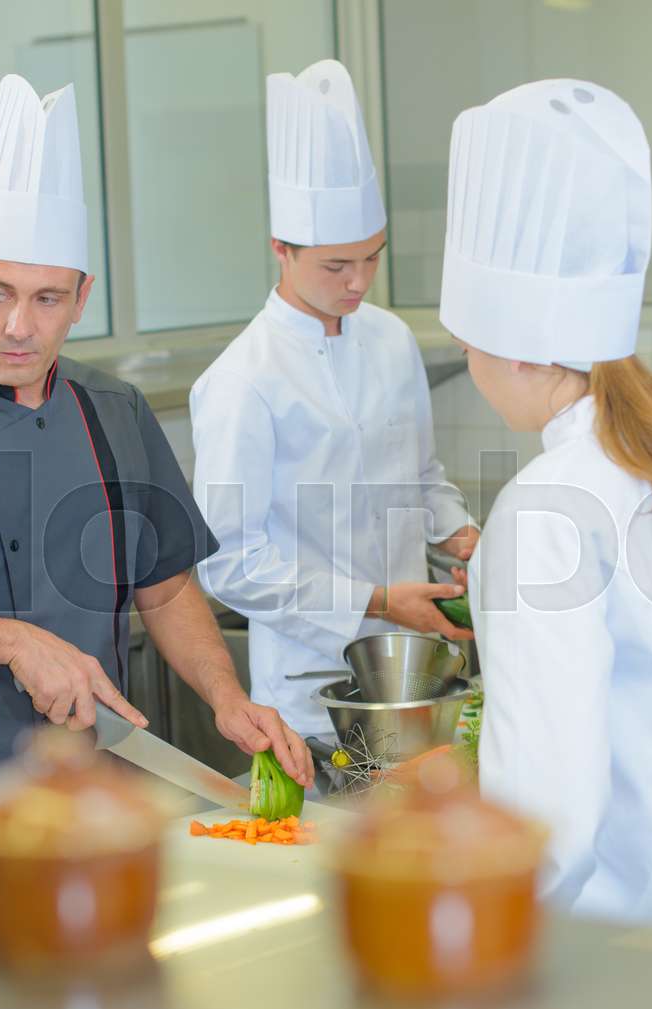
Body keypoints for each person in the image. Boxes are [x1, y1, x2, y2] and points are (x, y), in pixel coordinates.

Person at [0, 75, 313, 795]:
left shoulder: (114, 409)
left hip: (98, 791)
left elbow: (165, 587)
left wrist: (227, 696)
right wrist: (13, 640)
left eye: (47, 298)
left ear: (82, 298)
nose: (19, 326)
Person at [443, 80, 652, 929]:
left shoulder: (544, 510)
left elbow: (546, 795)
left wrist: (495, 928)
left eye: (468, 340)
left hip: (596, 941)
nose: (464, 359)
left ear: (519, 353)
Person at [191, 59, 477, 742]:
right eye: (336, 266)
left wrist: (465, 537)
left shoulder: (391, 338)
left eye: (372, 259)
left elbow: (422, 476)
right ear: (281, 251)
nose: (359, 282)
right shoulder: (242, 380)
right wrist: (377, 602)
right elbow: (229, 562)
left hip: (416, 668)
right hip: (312, 685)